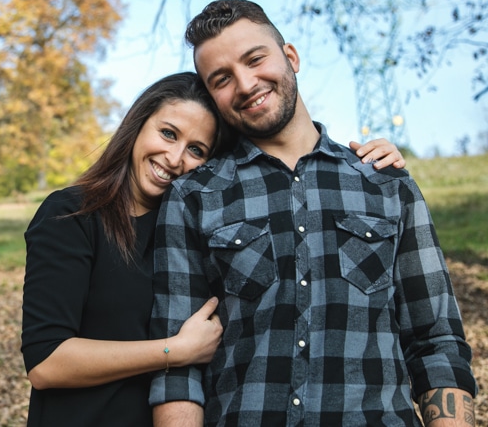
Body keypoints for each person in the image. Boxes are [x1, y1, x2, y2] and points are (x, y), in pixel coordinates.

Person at [148, 0, 477, 426]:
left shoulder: (386, 183)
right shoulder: (194, 196)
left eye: (255, 59)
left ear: (291, 57)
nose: (246, 84)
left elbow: (436, 341)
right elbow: (178, 366)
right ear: (212, 96)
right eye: (222, 79)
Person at [21, 71, 407, 426]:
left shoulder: (204, 226)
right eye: (168, 134)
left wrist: (369, 162)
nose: (174, 159)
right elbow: (46, 361)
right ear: (137, 128)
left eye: (197, 150)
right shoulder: (72, 214)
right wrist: (174, 350)